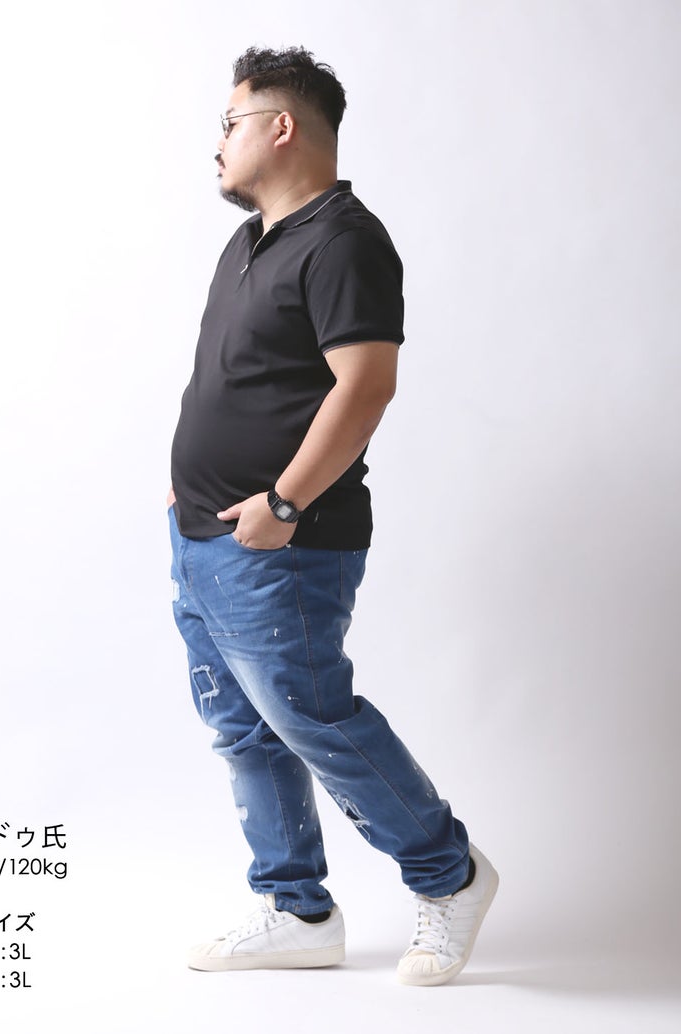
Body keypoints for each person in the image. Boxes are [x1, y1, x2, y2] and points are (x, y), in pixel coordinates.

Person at [167, 45, 497, 986]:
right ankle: (296, 908)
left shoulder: (345, 240)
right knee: (244, 730)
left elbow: (366, 386)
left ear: (281, 127)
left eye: (229, 123)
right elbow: (238, 378)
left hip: (282, 543)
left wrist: (282, 502)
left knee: (316, 719)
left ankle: (450, 874)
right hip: (202, 538)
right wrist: (183, 480)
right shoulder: (250, 241)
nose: (216, 143)